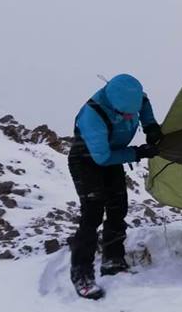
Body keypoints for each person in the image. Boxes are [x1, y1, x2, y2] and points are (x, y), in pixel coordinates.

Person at [68, 74, 163, 299]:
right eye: (125, 113)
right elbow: (102, 158)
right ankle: (81, 273)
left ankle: (113, 259)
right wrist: (137, 153)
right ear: (113, 103)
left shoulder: (133, 98)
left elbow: (145, 102)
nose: (130, 116)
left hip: (114, 154)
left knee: (118, 206)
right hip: (87, 159)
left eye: (133, 112)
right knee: (92, 214)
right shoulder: (93, 116)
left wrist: (150, 126)